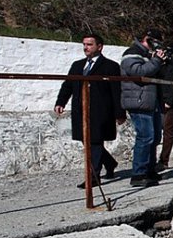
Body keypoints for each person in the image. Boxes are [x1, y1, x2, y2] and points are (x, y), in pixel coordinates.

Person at [54, 34, 125, 188]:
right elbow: (68, 85)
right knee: (86, 141)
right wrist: (60, 102)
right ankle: (109, 162)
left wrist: (119, 113)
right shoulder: (77, 65)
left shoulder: (110, 66)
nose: (86, 48)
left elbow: (116, 91)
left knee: (95, 141)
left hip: (100, 112)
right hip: (80, 110)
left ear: (99, 46)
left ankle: (93, 177)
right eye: (84, 44)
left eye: (89, 44)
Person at [121, 28, 167, 186]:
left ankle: (150, 170)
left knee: (154, 138)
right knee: (145, 137)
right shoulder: (132, 53)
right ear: (148, 40)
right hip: (138, 101)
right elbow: (138, 72)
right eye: (156, 42)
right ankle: (138, 174)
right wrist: (156, 61)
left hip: (151, 101)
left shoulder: (149, 56)